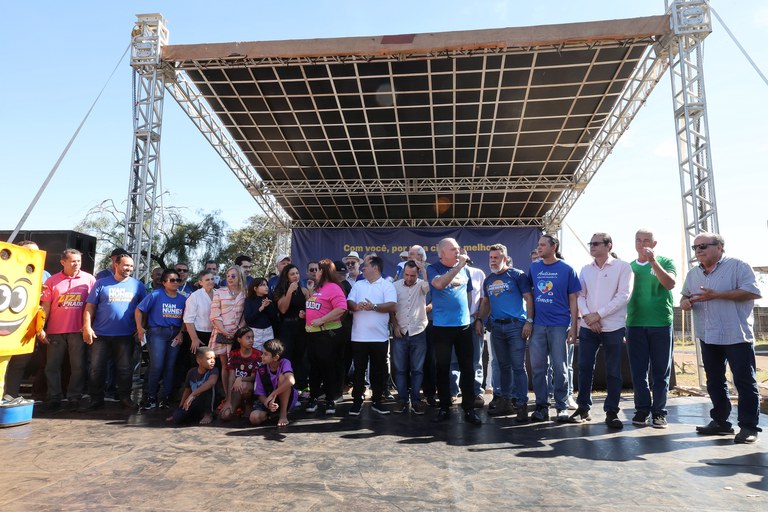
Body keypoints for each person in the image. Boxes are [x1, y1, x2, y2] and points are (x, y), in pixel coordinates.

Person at [682, 232, 762, 444]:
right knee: (715, 381)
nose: (698, 250)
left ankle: (748, 427)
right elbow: (685, 296)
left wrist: (717, 295)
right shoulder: (693, 274)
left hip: (735, 334)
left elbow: (752, 292)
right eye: (695, 247)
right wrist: (685, 302)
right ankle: (720, 422)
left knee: (744, 382)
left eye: (703, 246)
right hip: (708, 335)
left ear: (720, 247)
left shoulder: (738, 266)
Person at [569, 232, 632, 429]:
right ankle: (583, 408)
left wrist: (599, 315)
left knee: (613, 370)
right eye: (591, 243)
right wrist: (589, 316)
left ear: (609, 245)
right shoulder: (585, 269)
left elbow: (624, 296)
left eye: (596, 243)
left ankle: (612, 412)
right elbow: (580, 296)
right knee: (584, 367)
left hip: (613, 327)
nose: (592, 246)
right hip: (588, 326)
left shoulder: (623, 267)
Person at [475, 244, 533, 422]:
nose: (493, 261)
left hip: (515, 326)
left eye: (496, 257)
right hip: (496, 327)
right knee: (502, 366)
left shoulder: (517, 275)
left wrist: (529, 321)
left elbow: (529, 298)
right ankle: (505, 403)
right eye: (491, 258)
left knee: (518, 367)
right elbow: (486, 303)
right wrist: (479, 319)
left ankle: (521, 405)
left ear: (505, 259)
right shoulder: (489, 280)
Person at [428, 238, 482, 425]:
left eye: (458, 249)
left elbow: (468, 294)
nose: (458, 252)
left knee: (468, 368)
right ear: (442, 253)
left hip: (464, 326)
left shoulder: (465, 270)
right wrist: (458, 267)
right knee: (443, 368)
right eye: (453, 249)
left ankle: (469, 408)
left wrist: (468, 315)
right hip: (442, 327)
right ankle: (444, 406)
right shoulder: (433, 268)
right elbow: (439, 285)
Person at [527, 235, 581, 423]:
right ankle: (541, 406)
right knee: (538, 368)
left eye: (543, 245)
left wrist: (574, 327)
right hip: (538, 326)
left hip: (559, 325)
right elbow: (528, 295)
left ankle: (562, 406)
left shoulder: (567, 269)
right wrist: (529, 320)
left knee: (560, 367)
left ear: (554, 247)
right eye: (538, 244)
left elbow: (574, 300)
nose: (539, 248)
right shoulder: (534, 268)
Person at [82, 254, 147, 410]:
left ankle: (125, 398)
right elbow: (90, 307)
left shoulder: (138, 285)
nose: (129, 269)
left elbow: (144, 309)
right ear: (116, 265)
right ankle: (96, 399)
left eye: (131, 266)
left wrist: (140, 327)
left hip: (126, 335)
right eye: (126, 265)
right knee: (96, 368)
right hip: (100, 334)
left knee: (125, 369)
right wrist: (87, 326)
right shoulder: (101, 283)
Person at [626, 229, 676, 428]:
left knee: (661, 372)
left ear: (654, 244)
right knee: (638, 371)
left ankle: (659, 412)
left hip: (661, 323)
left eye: (646, 240)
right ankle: (642, 409)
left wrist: (653, 261)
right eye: (638, 240)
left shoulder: (665, 262)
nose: (642, 244)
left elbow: (670, 284)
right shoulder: (629, 267)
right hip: (635, 324)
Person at [38, 249, 95, 411]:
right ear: (63, 262)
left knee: (78, 366)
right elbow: (46, 306)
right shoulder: (52, 281)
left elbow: (92, 306)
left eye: (79, 261)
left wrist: (88, 327)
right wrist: (41, 327)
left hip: (78, 331)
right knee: (52, 366)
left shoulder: (89, 279)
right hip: (55, 331)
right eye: (73, 261)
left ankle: (74, 397)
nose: (77, 264)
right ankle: (54, 396)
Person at [347, 256, 397, 416]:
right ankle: (357, 401)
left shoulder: (387, 285)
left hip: (379, 337)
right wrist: (356, 306)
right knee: (359, 371)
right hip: (358, 337)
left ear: (375, 267)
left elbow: (392, 305)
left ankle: (377, 401)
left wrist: (373, 307)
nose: (362, 268)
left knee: (378, 371)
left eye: (366, 266)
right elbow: (349, 302)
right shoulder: (358, 285)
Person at [136, 268, 187, 410]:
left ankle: (165, 398)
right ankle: (151, 397)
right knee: (157, 366)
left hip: (175, 334)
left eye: (178, 280)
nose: (176, 282)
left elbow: (186, 318)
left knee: (170, 367)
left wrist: (181, 332)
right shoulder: (155, 295)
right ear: (164, 282)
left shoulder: (183, 299)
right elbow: (139, 310)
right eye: (172, 280)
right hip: (157, 333)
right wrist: (139, 327)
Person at [304, 259, 347, 414]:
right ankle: (313, 398)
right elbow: (318, 306)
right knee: (314, 368)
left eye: (318, 270)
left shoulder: (333, 287)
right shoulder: (318, 288)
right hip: (313, 335)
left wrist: (322, 320)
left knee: (328, 368)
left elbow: (341, 308)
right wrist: (305, 314)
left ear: (324, 271)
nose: (315, 273)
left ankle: (330, 400)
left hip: (327, 335)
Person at [391, 260, 429, 414]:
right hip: (400, 332)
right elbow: (391, 309)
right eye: (406, 274)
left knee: (417, 369)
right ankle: (401, 399)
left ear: (417, 274)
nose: (409, 278)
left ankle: (416, 400)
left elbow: (429, 288)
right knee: (400, 369)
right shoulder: (395, 286)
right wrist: (395, 326)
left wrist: (424, 270)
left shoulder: (422, 285)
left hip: (418, 331)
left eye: (412, 275)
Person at [209, 265, 247, 398]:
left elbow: (246, 315)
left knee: (239, 365)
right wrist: (224, 331)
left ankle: (238, 398)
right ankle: (227, 397)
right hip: (222, 332)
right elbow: (215, 314)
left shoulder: (245, 293)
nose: (230, 278)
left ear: (240, 277)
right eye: (228, 276)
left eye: (233, 276)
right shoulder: (219, 292)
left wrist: (238, 330)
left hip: (239, 334)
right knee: (225, 365)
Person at [273, 264, 308, 390]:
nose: (296, 276)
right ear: (286, 277)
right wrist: (289, 291)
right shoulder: (280, 290)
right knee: (287, 356)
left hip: (301, 327)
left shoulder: (303, 290)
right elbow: (283, 309)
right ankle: (287, 386)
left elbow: (310, 308)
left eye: (297, 273)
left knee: (301, 356)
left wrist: (305, 313)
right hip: (286, 327)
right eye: (292, 274)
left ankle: (301, 386)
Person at [250, 339, 299, 427]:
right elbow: (260, 394)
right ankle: (273, 415)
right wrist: (268, 404)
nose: (262, 356)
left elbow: (291, 381)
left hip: (286, 398)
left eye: (265, 354)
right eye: (262, 353)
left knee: (283, 378)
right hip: (270, 401)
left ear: (275, 357)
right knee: (254, 418)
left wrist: (273, 394)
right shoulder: (261, 369)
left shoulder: (284, 363)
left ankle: (283, 414)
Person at [168, 346, 219, 426]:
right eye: (209, 359)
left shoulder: (214, 370)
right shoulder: (191, 372)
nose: (213, 361)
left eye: (214, 358)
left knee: (209, 387)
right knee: (178, 416)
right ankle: (198, 415)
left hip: (208, 402)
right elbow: (187, 390)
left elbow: (212, 382)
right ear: (198, 360)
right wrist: (180, 408)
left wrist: (193, 394)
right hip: (196, 403)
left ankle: (208, 413)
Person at [220, 327, 262, 421]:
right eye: (248, 338)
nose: (251, 340)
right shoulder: (233, 354)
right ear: (239, 340)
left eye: (252, 337)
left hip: (251, 388)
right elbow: (231, 376)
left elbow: (254, 377)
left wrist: (240, 378)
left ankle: (249, 405)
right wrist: (228, 400)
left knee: (244, 386)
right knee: (225, 415)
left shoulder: (258, 354)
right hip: (236, 389)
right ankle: (237, 406)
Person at [243, 277, 277, 353]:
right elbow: (248, 320)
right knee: (255, 355)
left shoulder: (269, 299)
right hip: (255, 332)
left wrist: (268, 306)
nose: (266, 287)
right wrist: (260, 308)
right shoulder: (249, 301)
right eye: (263, 285)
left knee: (268, 354)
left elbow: (274, 318)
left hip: (268, 331)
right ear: (255, 288)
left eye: (266, 285)